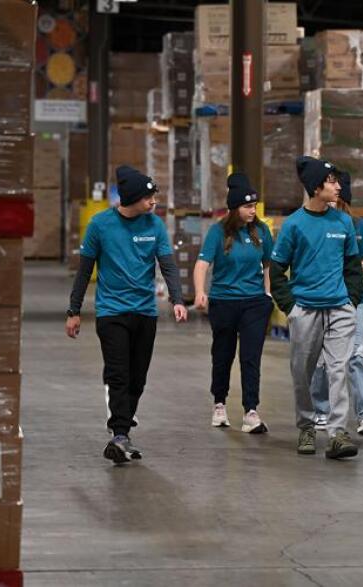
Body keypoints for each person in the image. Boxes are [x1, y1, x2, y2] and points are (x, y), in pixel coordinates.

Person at [66, 165, 188, 464]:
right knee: (118, 374)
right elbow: (84, 271)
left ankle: (122, 428)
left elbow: (168, 265)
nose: (153, 202)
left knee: (138, 379)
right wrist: (74, 310)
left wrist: (177, 299)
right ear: (132, 198)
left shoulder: (154, 225)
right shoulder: (100, 225)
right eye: (148, 197)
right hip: (112, 312)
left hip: (145, 311)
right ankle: (120, 433)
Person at [270, 156, 363, 459]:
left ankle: (337, 433)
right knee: (302, 372)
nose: (338, 187)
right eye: (331, 181)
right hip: (305, 310)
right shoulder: (294, 225)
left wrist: (352, 301)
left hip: (339, 309)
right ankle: (306, 426)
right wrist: (291, 308)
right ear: (315, 187)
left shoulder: (343, 222)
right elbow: (276, 270)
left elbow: (352, 266)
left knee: (339, 370)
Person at [194, 173, 274, 434]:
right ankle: (219, 403)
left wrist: (268, 294)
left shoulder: (261, 231)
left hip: (254, 303)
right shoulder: (217, 232)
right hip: (224, 302)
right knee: (223, 354)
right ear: (235, 207)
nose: (253, 211)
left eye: (254, 206)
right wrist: (200, 292)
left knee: (251, 357)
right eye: (247, 206)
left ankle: (251, 411)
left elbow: (269, 264)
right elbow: (202, 264)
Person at [309, 171, 363, 436]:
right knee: (321, 358)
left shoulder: (357, 226)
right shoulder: (316, 223)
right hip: (324, 298)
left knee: (357, 354)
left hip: (353, 298)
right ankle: (321, 410)